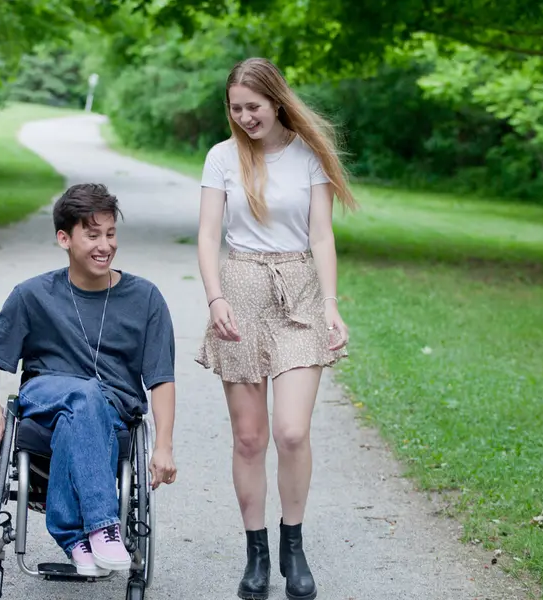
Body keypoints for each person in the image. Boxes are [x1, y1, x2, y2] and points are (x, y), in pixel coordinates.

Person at [195, 57, 358, 600]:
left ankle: (294, 543)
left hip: (300, 293)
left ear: (277, 101)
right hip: (239, 289)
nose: (244, 118)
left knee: (290, 431)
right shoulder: (221, 158)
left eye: (253, 107)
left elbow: (322, 237)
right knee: (249, 438)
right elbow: (207, 235)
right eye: (235, 108)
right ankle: (257, 554)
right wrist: (215, 297)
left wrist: (331, 305)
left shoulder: (309, 156)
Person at [0, 182, 178, 578]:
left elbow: (161, 378)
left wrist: (164, 445)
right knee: (83, 395)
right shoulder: (33, 295)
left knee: (83, 411)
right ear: (64, 238)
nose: (105, 245)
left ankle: (74, 540)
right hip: (44, 397)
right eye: (93, 234)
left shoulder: (146, 299)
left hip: (111, 413)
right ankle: (101, 525)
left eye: (111, 233)